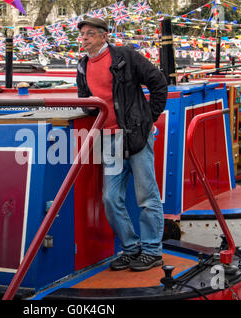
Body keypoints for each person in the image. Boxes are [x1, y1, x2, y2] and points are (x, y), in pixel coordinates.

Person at [76, 18, 168, 271]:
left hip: (135, 135)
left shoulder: (125, 56)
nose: (84, 38)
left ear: (104, 36)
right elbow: (85, 99)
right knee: (110, 198)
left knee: (147, 197)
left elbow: (158, 83)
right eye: (82, 34)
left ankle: (152, 251)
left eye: (90, 34)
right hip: (109, 140)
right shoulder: (83, 65)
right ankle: (131, 248)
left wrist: (149, 118)